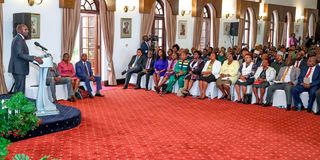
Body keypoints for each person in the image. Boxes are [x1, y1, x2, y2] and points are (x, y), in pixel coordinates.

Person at [8, 24, 43, 93]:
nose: (27, 31)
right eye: (25, 29)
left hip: (19, 68)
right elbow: (20, 54)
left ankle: (18, 103)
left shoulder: (20, 39)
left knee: (19, 89)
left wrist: (34, 58)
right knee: (20, 90)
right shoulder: (18, 39)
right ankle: (18, 104)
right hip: (19, 68)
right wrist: (34, 58)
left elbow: (22, 54)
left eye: (27, 29)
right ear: (19, 30)